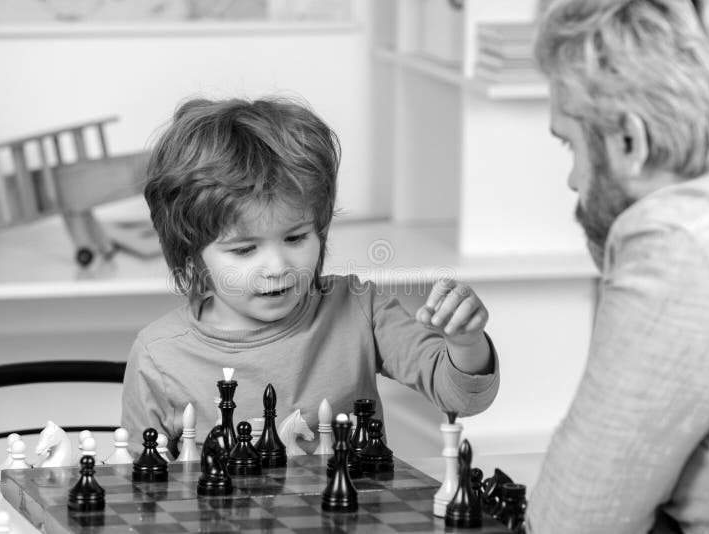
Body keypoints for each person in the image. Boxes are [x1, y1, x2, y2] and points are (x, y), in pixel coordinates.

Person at [121, 97, 499, 456]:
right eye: (244, 249)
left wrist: (465, 343)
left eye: (296, 237)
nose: (278, 266)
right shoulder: (159, 356)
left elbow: (462, 398)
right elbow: (136, 489)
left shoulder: (359, 309)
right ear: (190, 257)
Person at [528, 1, 709, 532]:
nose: (571, 180)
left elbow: (573, 519)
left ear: (629, 141)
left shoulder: (679, 243)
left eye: (570, 144)